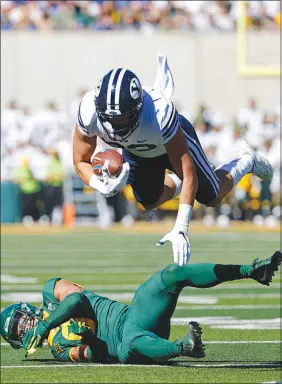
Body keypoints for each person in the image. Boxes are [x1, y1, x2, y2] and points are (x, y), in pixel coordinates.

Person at [72, 55, 273, 266]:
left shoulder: (159, 114)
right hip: (137, 150)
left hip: (170, 143)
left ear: (137, 108)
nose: (115, 124)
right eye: (110, 117)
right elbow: (80, 161)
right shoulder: (89, 110)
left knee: (211, 196)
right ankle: (178, 185)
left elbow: (188, 174)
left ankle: (246, 160)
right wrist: (99, 185)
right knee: (149, 201)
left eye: (121, 117)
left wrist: (181, 228)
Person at [1, 251, 281, 364]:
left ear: (25, 309)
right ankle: (183, 347)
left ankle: (250, 270)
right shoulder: (58, 349)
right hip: (127, 344)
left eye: (19, 320)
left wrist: (46, 323)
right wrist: (88, 341)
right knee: (129, 346)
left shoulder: (51, 290)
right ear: (18, 341)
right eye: (17, 329)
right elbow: (96, 355)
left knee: (171, 274)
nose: (23, 326)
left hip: (133, 315)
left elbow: (76, 301)